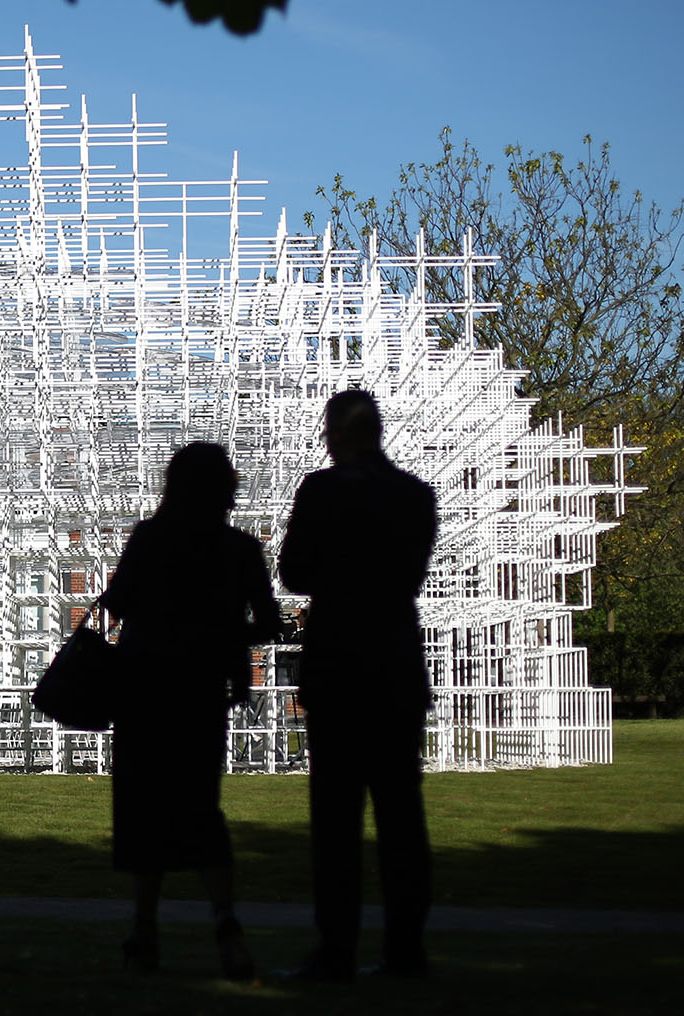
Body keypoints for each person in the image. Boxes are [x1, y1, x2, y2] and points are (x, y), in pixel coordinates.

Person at [97, 441, 281, 978]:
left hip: (145, 690)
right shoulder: (240, 550)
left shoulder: (150, 539)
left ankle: (144, 932)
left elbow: (116, 604)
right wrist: (224, 639)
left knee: (143, 808)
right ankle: (226, 927)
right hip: (201, 692)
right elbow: (268, 623)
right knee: (202, 808)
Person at [277, 390, 438, 981]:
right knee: (402, 816)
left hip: (340, 669)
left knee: (336, 822)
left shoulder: (322, 492)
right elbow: (411, 573)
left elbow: (293, 572)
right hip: (395, 665)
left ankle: (337, 950)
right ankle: (406, 950)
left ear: (336, 435)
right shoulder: (416, 496)